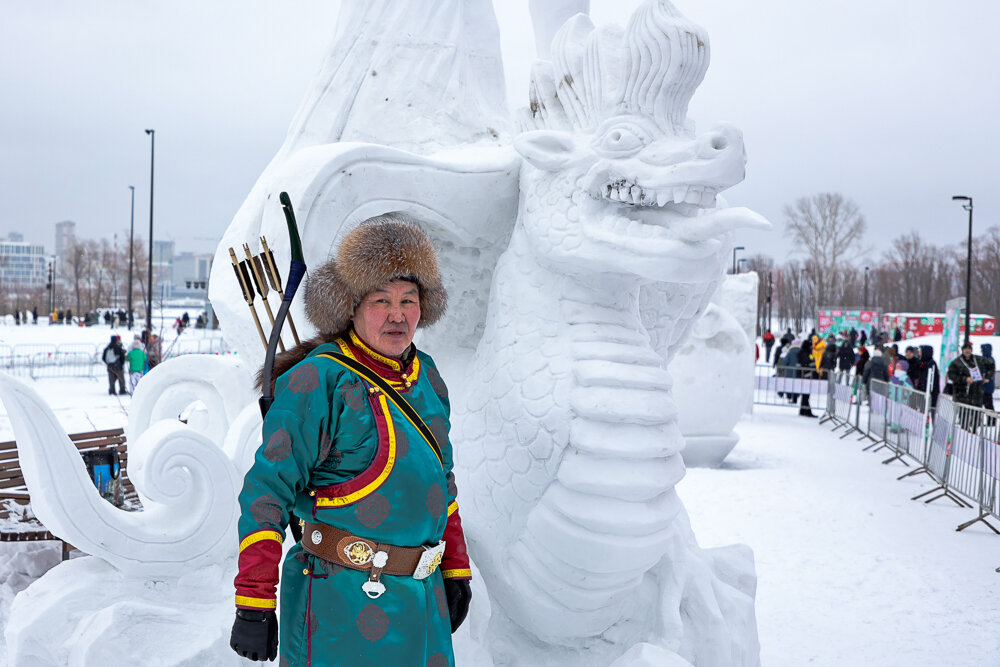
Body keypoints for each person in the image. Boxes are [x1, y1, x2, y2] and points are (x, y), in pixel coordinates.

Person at [230, 216, 471, 665]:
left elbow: (442, 481)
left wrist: (455, 568)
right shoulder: (317, 379)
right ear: (352, 307)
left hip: (423, 605)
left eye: (408, 300)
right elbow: (268, 491)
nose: (398, 314)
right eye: (382, 300)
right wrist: (254, 602)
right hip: (340, 604)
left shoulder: (428, 377)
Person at [946, 342, 993, 409]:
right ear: (962, 350)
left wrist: (987, 377)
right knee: (964, 416)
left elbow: (991, 366)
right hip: (961, 395)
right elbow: (951, 375)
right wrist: (965, 379)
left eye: (969, 349)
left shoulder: (979, 359)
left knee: (976, 416)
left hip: (977, 395)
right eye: (965, 349)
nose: (967, 351)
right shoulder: (956, 362)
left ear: (971, 350)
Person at [915, 344, 940, 409]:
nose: (919, 354)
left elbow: (932, 381)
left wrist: (928, 391)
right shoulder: (922, 363)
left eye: (920, 352)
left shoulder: (931, 364)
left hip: (928, 395)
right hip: (922, 394)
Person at [797, 338, 817, 417]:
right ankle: (807, 411)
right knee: (806, 395)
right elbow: (807, 365)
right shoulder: (806, 354)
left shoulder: (803, 353)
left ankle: (803, 410)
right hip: (806, 377)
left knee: (805, 395)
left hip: (804, 376)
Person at [982, 343, 995, 413]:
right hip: (986, 387)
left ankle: (991, 421)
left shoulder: (988, 360)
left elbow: (988, 371)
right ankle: (991, 421)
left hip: (986, 387)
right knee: (988, 405)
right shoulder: (989, 359)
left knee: (988, 405)